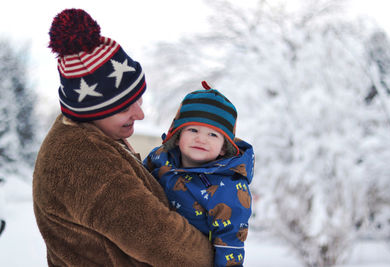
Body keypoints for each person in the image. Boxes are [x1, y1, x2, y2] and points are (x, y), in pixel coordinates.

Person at [32, 8, 213, 267]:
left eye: (138, 99)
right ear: (92, 110)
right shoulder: (84, 157)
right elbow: (162, 240)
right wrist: (217, 254)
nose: (139, 114)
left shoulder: (89, 133)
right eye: (125, 107)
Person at [143, 81, 255, 267]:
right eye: (193, 130)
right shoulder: (160, 157)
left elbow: (230, 243)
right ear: (178, 136)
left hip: (190, 257)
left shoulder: (229, 188)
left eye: (213, 135)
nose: (201, 139)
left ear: (223, 148)